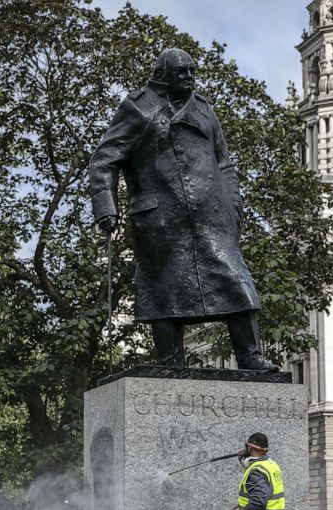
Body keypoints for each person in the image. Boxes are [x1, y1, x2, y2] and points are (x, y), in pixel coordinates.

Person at [89, 48, 277, 371]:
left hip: (212, 219)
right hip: (161, 219)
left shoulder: (204, 110)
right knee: (165, 291)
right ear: (162, 75)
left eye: (192, 71)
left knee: (238, 283)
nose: (190, 78)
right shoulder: (138, 109)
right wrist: (106, 206)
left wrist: (234, 204)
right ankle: (170, 361)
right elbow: (104, 159)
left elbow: (225, 162)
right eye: (182, 72)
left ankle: (251, 356)